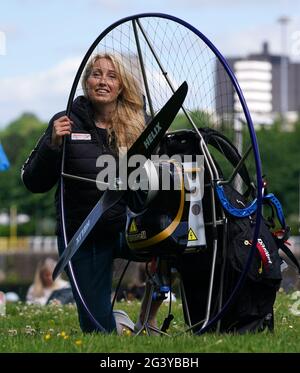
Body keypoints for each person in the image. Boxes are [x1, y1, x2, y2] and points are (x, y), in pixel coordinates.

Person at [21, 53, 159, 333]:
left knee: (180, 240)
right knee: (98, 331)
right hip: (83, 235)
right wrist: (52, 144)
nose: (103, 81)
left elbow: (155, 178)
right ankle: (118, 322)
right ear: (86, 82)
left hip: (126, 227)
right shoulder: (65, 122)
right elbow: (33, 182)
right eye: (96, 74)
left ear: (121, 85)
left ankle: (149, 316)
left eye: (112, 76)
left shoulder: (138, 124)